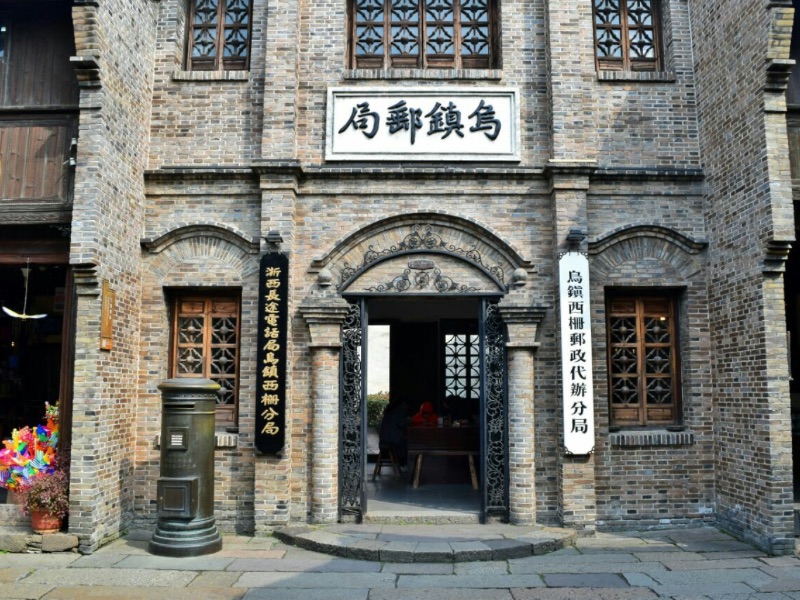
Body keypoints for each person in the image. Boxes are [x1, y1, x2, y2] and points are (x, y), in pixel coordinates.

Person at [379, 397, 408, 467]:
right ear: (403, 403)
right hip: (391, 438)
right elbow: (401, 423)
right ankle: (403, 460)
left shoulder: (390, 409)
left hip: (384, 437)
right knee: (407, 442)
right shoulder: (400, 410)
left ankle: (402, 460)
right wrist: (409, 420)